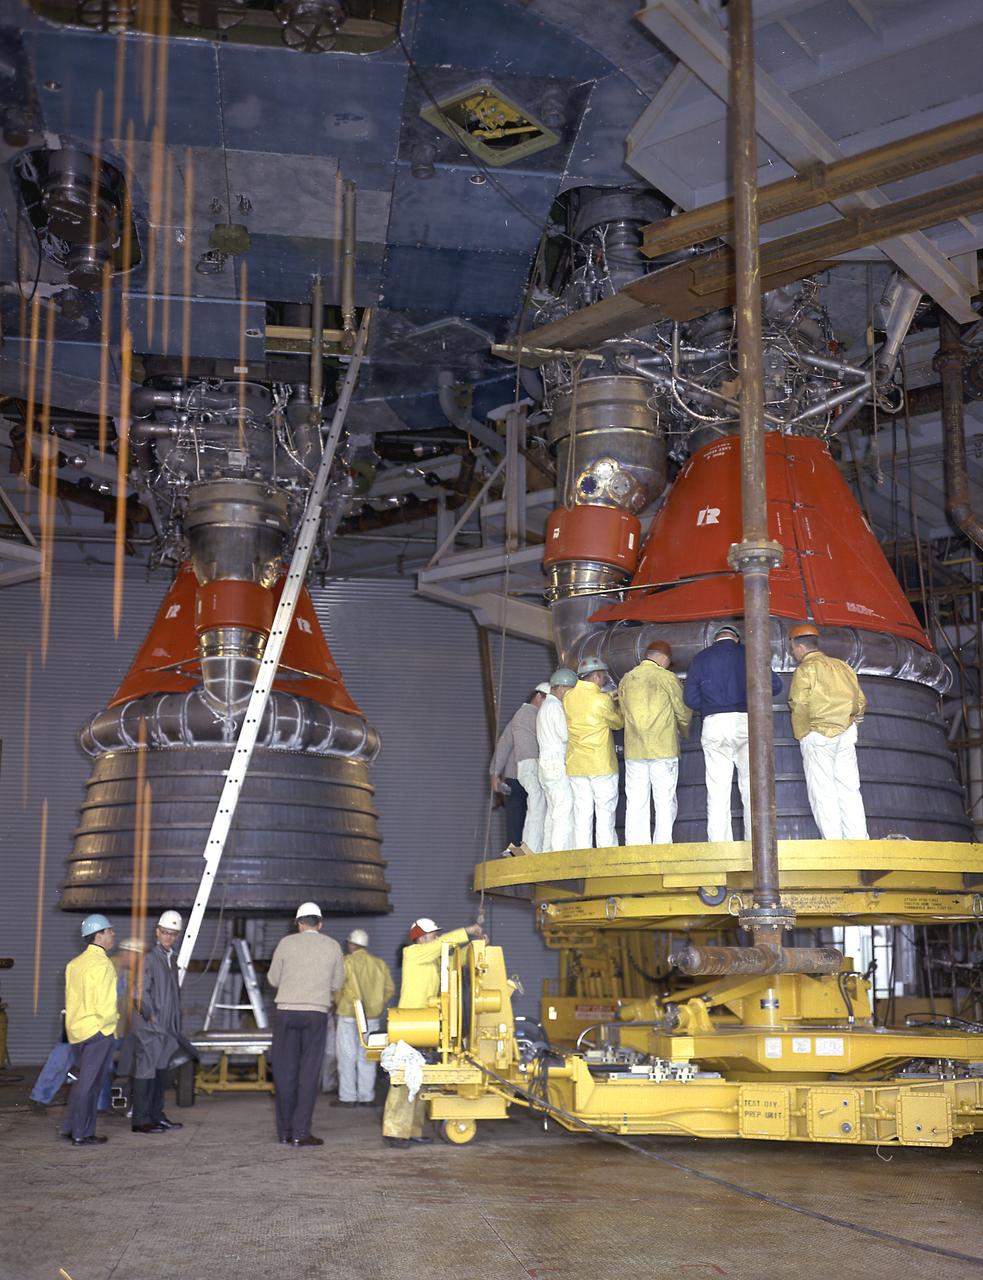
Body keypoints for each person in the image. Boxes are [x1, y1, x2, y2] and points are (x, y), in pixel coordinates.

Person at [382, 918, 484, 1149]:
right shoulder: (413, 953)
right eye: (432, 934)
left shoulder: (433, 956)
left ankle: (412, 1131)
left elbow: (453, 954)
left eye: (437, 934)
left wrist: (477, 945)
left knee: (420, 1079)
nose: (436, 937)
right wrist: (467, 930)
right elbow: (445, 945)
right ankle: (395, 1131)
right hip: (410, 1024)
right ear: (420, 937)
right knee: (403, 1078)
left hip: (428, 1025)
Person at [684, 624, 782, 842]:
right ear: (736, 639)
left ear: (715, 639)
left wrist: (712, 706)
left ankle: (719, 845)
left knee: (717, 789)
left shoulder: (701, 658)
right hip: (747, 723)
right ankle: (756, 844)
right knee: (752, 787)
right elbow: (775, 686)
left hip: (714, 724)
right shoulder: (750, 653)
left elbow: (690, 699)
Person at [31, 937, 146, 1116]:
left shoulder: (135, 977)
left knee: (104, 1065)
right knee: (61, 1056)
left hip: (109, 1030)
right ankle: (39, 1098)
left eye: (135, 955)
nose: (130, 957)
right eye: (128, 953)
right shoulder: (106, 965)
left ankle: (100, 1104)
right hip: (82, 1023)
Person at [268, 902, 344, 1147]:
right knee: (308, 1073)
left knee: (284, 1072)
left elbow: (273, 978)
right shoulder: (332, 946)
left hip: (286, 1013)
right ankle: (301, 1132)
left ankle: (284, 1132)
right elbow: (337, 983)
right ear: (320, 923)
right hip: (315, 1014)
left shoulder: (286, 944)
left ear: (298, 923)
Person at [788, 623, 869, 840]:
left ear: (800, 647)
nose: (793, 653)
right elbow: (860, 701)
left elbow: (799, 703)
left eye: (793, 648)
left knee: (823, 790)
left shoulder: (805, 670)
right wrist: (852, 724)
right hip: (846, 733)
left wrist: (802, 733)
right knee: (849, 788)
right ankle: (859, 840)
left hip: (817, 733)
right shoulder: (843, 667)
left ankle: (833, 842)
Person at [619, 641, 692, 846]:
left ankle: (635, 847)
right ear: (663, 659)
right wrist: (685, 731)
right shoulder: (667, 678)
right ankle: (662, 846)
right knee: (664, 800)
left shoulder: (627, 679)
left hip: (634, 750)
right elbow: (682, 710)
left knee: (635, 801)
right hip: (663, 749)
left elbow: (622, 712)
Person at [127, 910, 187, 1135]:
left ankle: (156, 1115)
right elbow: (139, 992)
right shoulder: (150, 958)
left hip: (166, 1029)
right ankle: (141, 1121)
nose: (168, 937)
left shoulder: (170, 959)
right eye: (165, 933)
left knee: (160, 1073)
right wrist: (150, 1016)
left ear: (177, 935)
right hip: (151, 1028)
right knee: (146, 1071)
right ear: (157, 932)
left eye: (172, 934)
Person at [60, 914, 117, 1146]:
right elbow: (106, 1005)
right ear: (99, 935)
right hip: (97, 1032)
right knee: (89, 1085)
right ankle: (82, 1134)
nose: (113, 934)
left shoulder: (74, 964)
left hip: (76, 1031)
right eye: (109, 931)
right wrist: (108, 1029)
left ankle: (69, 1128)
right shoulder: (103, 964)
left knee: (82, 1081)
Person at [563, 658, 624, 849]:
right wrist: (619, 705)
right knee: (605, 811)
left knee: (582, 813)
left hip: (576, 764)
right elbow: (617, 723)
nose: (604, 679)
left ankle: (583, 853)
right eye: (603, 676)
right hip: (601, 764)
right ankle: (606, 853)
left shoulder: (568, 698)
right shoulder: (601, 700)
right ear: (596, 676)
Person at [334, 928, 395, 1107]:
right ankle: (366, 1097)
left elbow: (337, 988)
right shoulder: (379, 964)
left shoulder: (346, 962)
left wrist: (339, 1003)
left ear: (351, 944)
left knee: (347, 1057)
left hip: (347, 1015)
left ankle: (347, 1098)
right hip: (372, 1018)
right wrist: (376, 1005)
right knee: (367, 1056)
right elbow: (389, 989)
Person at [490, 683, 550, 855]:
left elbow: (504, 744)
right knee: (524, 815)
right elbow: (504, 744)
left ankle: (516, 852)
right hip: (524, 775)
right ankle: (519, 853)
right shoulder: (530, 715)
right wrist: (494, 773)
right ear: (539, 696)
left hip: (514, 776)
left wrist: (495, 773)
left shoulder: (519, 716)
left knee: (517, 817)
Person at [536, 668, 577, 852]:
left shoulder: (544, 707)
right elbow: (564, 734)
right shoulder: (555, 707)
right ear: (561, 688)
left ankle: (548, 852)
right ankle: (560, 854)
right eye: (570, 690)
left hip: (545, 765)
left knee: (552, 812)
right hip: (556, 763)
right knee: (563, 809)